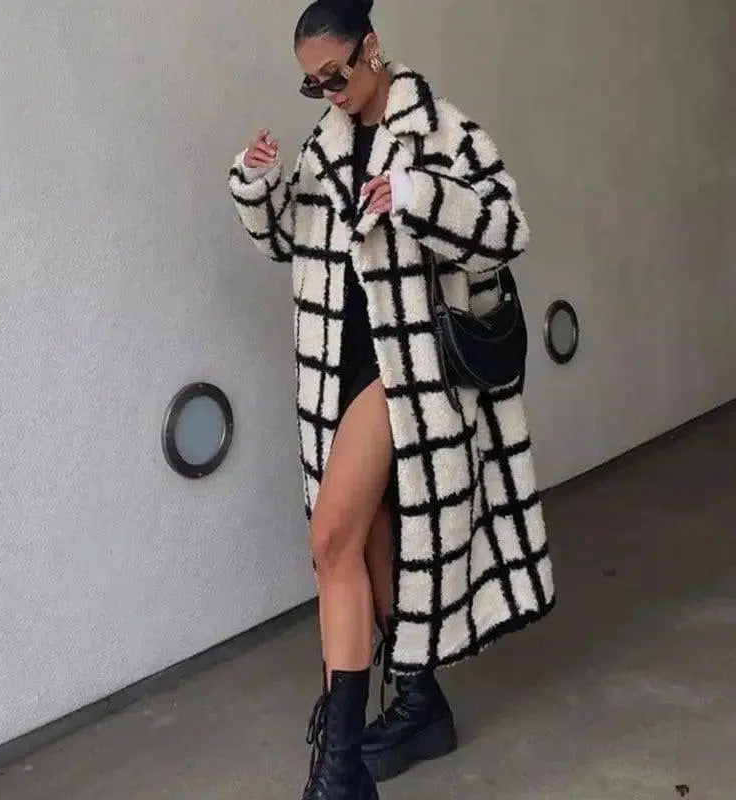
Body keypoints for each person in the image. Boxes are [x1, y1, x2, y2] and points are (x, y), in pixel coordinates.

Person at [228, 1, 555, 797]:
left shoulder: (442, 131)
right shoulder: (326, 145)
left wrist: (417, 196)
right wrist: (259, 186)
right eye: (312, 85)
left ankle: (340, 774)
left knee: (330, 541)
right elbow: (291, 242)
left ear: (371, 48)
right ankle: (419, 703)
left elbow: (508, 228)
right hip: (336, 372)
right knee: (372, 546)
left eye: (335, 74)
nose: (328, 92)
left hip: (406, 371)